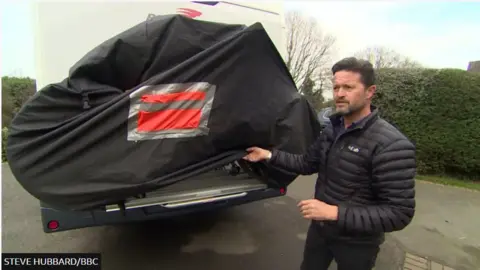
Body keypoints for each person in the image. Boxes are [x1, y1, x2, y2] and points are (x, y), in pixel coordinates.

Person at [243, 57, 416, 270]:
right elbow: (307, 163)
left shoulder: (392, 145)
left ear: (370, 92)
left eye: (348, 87)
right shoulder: (333, 129)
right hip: (321, 231)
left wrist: (333, 213)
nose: (339, 94)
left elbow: (399, 213)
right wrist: (268, 155)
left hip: (357, 245)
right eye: (336, 87)